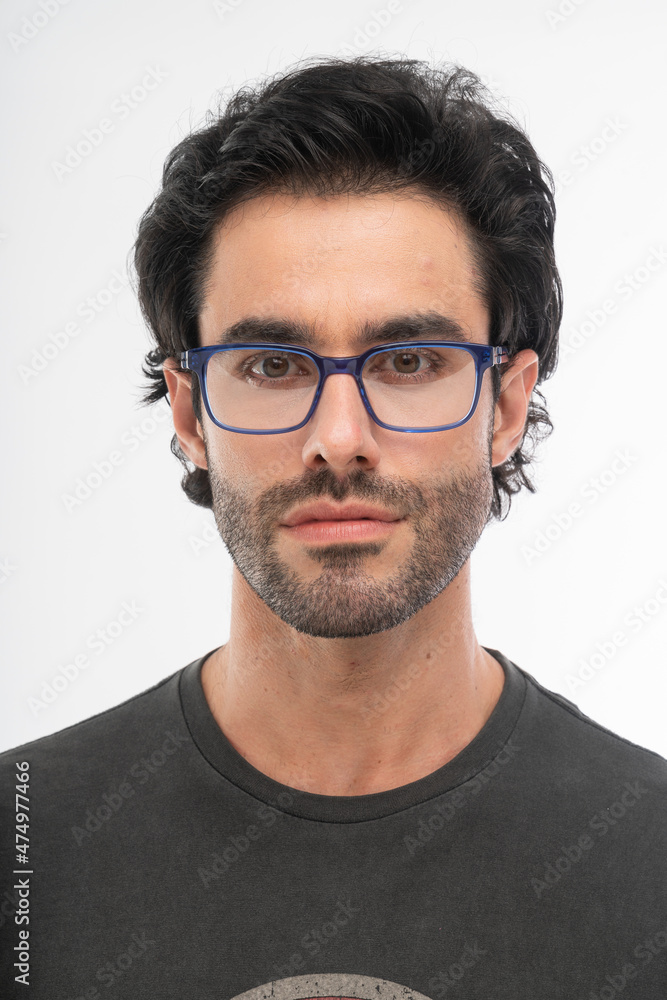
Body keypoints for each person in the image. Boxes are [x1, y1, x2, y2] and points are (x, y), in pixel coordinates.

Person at [1, 54, 666, 999]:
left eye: (408, 361)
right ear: (189, 414)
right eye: (272, 365)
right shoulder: (23, 845)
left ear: (505, 408)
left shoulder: (647, 859)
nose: (339, 439)